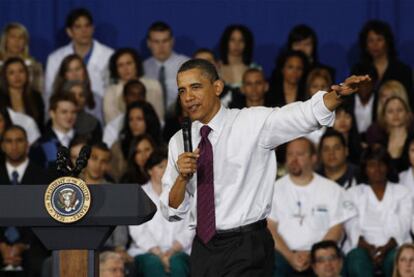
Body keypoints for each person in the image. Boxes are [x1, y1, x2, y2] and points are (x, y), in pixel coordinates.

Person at [159, 58, 370, 276]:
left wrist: (336, 96)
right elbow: (172, 210)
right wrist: (182, 178)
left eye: (195, 87)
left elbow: (301, 115)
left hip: (247, 246)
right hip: (204, 248)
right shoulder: (178, 142)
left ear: (217, 87)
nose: (188, 97)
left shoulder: (252, 123)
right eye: (182, 91)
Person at [267, 138, 354, 276]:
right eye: (290, 154)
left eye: (300, 154)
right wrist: (290, 256)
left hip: (321, 257)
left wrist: (313, 255)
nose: (294, 159)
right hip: (284, 255)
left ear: (314, 158)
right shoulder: (274, 189)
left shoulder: (332, 190)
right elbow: (270, 228)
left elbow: (337, 229)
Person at [344, 145, 412, 277]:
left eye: (381, 164)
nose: (377, 169)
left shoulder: (402, 192)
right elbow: (351, 224)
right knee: (357, 260)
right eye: (372, 165)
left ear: (387, 167)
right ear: (365, 168)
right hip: (362, 247)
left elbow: (404, 223)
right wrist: (367, 248)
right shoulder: (352, 193)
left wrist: (386, 248)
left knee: (397, 258)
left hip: (394, 245)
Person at [128, 150, 193, 276]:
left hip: (179, 250)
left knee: (178, 265)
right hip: (147, 251)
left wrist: (172, 251)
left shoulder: (184, 192)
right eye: (160, 166)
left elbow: (191, 226)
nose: (166, 171)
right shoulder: (139, 194)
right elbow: (138, 230)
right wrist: (159, 253)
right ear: (149, 170)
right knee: (154, 266)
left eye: (169, 166)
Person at [0, 125, 50, 277]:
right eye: (9, 141)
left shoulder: (43, 177)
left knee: (42, 263)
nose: (14, 146)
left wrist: (23, 245)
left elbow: (44, 217)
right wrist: (2, 246)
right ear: (2, 145)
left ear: (27, 144)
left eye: (19, 140)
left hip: (32, 247)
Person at [45, 8, 113, 109]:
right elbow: (49, 93)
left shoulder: (109, 55)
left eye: (87, 26)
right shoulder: (55, 58)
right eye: (78, 27)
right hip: (64, 113)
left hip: (99, 111)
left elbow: (112, 91)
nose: (84, 31)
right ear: (69, 32)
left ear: (93, 28)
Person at [351, 20, 413, 108]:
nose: (375, 44)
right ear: (365, 45)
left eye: (379, 39)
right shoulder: (358, 69)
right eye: (370, 40)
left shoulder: (403, 70)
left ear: (387, 42)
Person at [104, 48, 164, 123]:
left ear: (136, 64)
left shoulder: (154, 86)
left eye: (129, 63)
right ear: (116, 69)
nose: (125, 69)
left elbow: (159, 117)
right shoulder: (111, 92)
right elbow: (111, 121)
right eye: (120, 65)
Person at [143, 21, 189, 113]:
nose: (161, 46)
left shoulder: (186, 65)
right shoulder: (142, 68)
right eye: (156, 42)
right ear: (148, 43)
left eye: (165, 41)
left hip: (181, 117)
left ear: (172, 41)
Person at [30, 94, 78, 169]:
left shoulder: (85, 141)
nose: (69, 116)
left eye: (73, 112)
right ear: (52, 113)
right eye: (64, 112)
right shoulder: (39, 146)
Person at [51, 54, 102, 122]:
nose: (74, 74)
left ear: (84, 72)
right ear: (64, 75)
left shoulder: (96, 99)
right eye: (69, 70)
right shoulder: (54, 98)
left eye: (77, 69)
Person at [0, 57, 44, 130]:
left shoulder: (36, 96)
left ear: (27, 74)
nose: (17, 76)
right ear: (5, 77)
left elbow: (40, 125)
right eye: (11, 73)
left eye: (21, 71)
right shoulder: (1, 97)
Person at [0, 22, 44, 93]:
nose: (17, 41)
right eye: (13, 37)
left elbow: (38, 93)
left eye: (21, 37)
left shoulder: (35, 65)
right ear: (5, 40)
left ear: (25, 42)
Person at [218, 24, 258, 89]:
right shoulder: (216, 69)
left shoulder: (255, 69)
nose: (237, 44)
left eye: (241, 40)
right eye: (232, 40)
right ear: (226, 42)